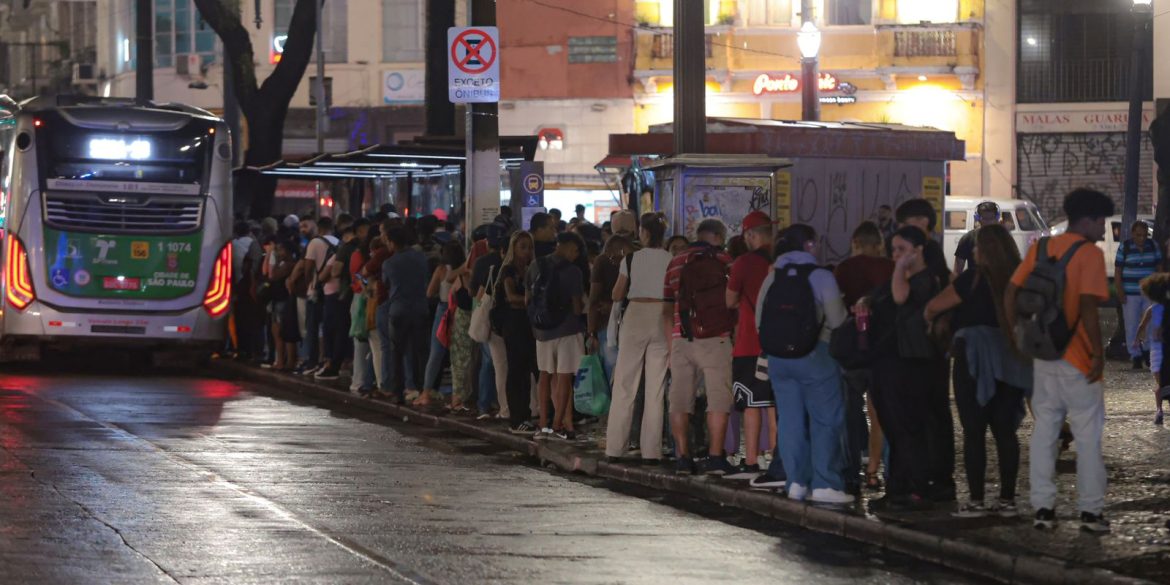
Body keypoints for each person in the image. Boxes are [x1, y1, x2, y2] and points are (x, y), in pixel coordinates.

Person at [1005, 188, 1113, 533]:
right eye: (1102, 222)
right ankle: (1091, 513)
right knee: (1087, 436)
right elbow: (1087, 309)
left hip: (1044, 355)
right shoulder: (1089, 255)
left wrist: (1017, 336)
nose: (1102, 230)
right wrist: (1098, 353)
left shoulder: (1040, 248)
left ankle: (1043, 509)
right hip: (1078, 360)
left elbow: (1011, 292)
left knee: (1044, 432)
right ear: (1089, 219)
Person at [926, 224, 1030, 518]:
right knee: (1005, 432)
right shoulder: (1019, 277)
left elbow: (934, 306)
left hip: (974, 359)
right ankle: (1008, 500)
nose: (972, 251)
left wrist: (931, 320)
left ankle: (975, 501)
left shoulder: (972, 278)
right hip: (1012, 358)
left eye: (976, 246)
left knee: (974, 431)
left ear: (984, 250)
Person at [756, 224, 851, 504]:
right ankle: (826, 484)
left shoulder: (771, 277)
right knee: (825, 420)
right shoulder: (821, 276)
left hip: (778, 361)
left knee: (790, 421)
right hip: (815, 356)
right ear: (808, 245)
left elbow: (759, 322)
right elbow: (836, 321)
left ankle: (795, 481)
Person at [865, 226, 944, 511]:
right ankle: (896, 488)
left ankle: (916, 489)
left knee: (908, 428)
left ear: (919, 250)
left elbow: (900, 297)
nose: (896, 255)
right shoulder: (899, 278)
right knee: (894, 428)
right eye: (893, 250)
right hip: (887, 361)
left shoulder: (925, 280)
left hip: (911, 363)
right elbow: (880, 297)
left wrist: (899, 267)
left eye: (902, 249)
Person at [893, 198, 956, 501]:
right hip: (929, 345)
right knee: (934, 411)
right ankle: (937, 475)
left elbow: (906, 295)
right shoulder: (927, 251)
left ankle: (932, 477)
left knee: (928, 412)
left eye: (915, 223)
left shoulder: (927, 254)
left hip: (925, 344)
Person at [665, 219, 736, 475]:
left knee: (680, 400)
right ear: (717, 236)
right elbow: (734, 300)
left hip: (681, 337)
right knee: (718, 398)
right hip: (716, 338)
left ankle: (683, 456)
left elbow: (666, 305)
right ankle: (716, 457)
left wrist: (671, 341)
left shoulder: (675, 262)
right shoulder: (725, 260)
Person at [832, 221, 894, 493]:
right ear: (879, 244)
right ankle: (882, 471)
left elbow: (835, 310)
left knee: (849, 412)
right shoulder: (891, 269)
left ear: (855, 243)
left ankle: (850, 473)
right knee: (884, 413)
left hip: (852, 352)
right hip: (883, 351)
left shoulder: (844, 269)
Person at [606, 214, 672, 464]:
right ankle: (651, 452)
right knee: (655, 387)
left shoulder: (631, 259)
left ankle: (615, 448)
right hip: (662, 316)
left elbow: (617, 293)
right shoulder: (671, 259)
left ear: (643, 232)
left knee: (625, 384)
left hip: (635, 316)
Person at [724, 211, 777, 482]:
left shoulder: (744, 263)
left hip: (749, 343)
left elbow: (730, 300)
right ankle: (777, 457)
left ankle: (752, 459)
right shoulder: (781, 260)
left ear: (750, 235)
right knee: (775, 405)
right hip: (780, 344)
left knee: (751, 403)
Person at [528, 232, 588, 440]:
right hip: (568, 330)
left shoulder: (535, 265)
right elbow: (577, 307)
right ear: (569, 247)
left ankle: (543, 425)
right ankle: (557, 426)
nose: (575, 255)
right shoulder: (573, 271)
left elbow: (529, 298)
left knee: (544, 376)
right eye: (575, 250)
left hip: (542, 331)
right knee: (564, 377)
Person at [381, 226, 430, 404]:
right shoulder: (420, 257)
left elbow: (386, 283)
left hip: (398, 309)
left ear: (393, 243)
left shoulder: (389, 263)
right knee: (421, 351)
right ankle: (423, 388)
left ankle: (399, 392)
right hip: (420, 307)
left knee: (397, 352)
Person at [495, 231, 538, 434]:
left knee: (530, 369)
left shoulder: (533, 268)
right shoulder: (508, 270)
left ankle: (526, 415)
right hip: (513, 323)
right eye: (523, 247)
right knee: (516, 371)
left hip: (529, 323)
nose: (527, 251)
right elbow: (511, 297)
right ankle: (517, 417)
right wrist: (531, 300)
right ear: (514, 248)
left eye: (529, 247)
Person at [419, 242, 466, 406]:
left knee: (436, 353)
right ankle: (458, 396)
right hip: (461, 310)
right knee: (458, 355)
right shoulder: (464, 269)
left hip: (443, 311)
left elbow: (429, 292)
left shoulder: (441, 270)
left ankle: (425, 393)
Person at [471, 225, 508, 419]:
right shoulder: (511, 264)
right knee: (505, 364)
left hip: (491, 319)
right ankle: (500, 403)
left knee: (489, 363)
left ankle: (485, 405)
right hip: (508, 321)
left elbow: (474, 292)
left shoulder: (482, 262)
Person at [1116, 220, 1162, 369]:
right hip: (1130, 293)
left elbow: (1159, 267)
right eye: (1138, 235)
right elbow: (1118, 271)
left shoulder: (1152, 246)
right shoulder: (1125, 247)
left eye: (1143, 235)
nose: (1141, 238)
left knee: (1150, 324)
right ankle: (1135, 355)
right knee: (1131, 324)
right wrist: (1120, 291)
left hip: (1149, 293)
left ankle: (1148, 352)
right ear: (1132, 234)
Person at [296, 216, 338, 375]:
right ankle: (324, 359)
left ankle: (312, 361)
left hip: (315, 290)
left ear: (319, 228)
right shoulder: (337, 242)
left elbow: (308, 267)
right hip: (330, 289)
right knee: (326, 328)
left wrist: (309, 283)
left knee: (312, 327)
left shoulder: (314, 242)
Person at [589, 235, 633, 382]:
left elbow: (594, 299)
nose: (612, 260)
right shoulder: (638, 260)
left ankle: (615, 404)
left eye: (613, 258)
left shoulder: (602, 261)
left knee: (612, 371)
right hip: (618, 325)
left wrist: (591, 332)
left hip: (609, 325)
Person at [1135, 274, 1170, 425]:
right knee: (1161, 383)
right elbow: (1142, 326)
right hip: (1159, 349)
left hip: (1158, 350)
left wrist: (1138, 339)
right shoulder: (1157, 309)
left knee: (1161, 383)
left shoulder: (1153, 309)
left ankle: (1159, 410)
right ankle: (1159, 410)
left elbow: (1141, 327)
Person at [953, 200, 1001, 277]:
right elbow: (957, 271)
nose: (988, 222)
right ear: (977, 218)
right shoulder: (968, 239)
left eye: (991, 218)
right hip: (975, 285)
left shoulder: (1004, 238)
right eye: (985, 218)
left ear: (997, 217)